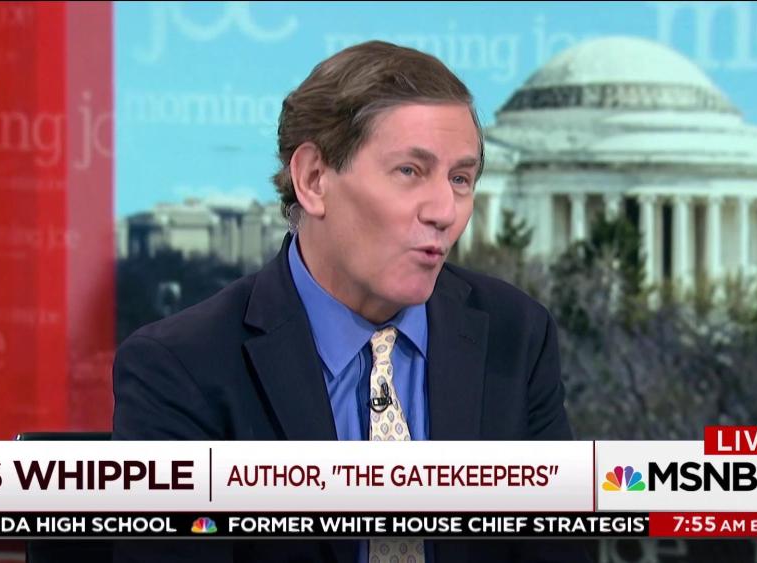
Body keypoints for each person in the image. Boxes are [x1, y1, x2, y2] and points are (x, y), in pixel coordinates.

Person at [113, 40, 587, 563]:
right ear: (314, 180)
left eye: (460, 179)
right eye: (410, 171)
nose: (444, 211)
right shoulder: (182, 368)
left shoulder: (515, 335)